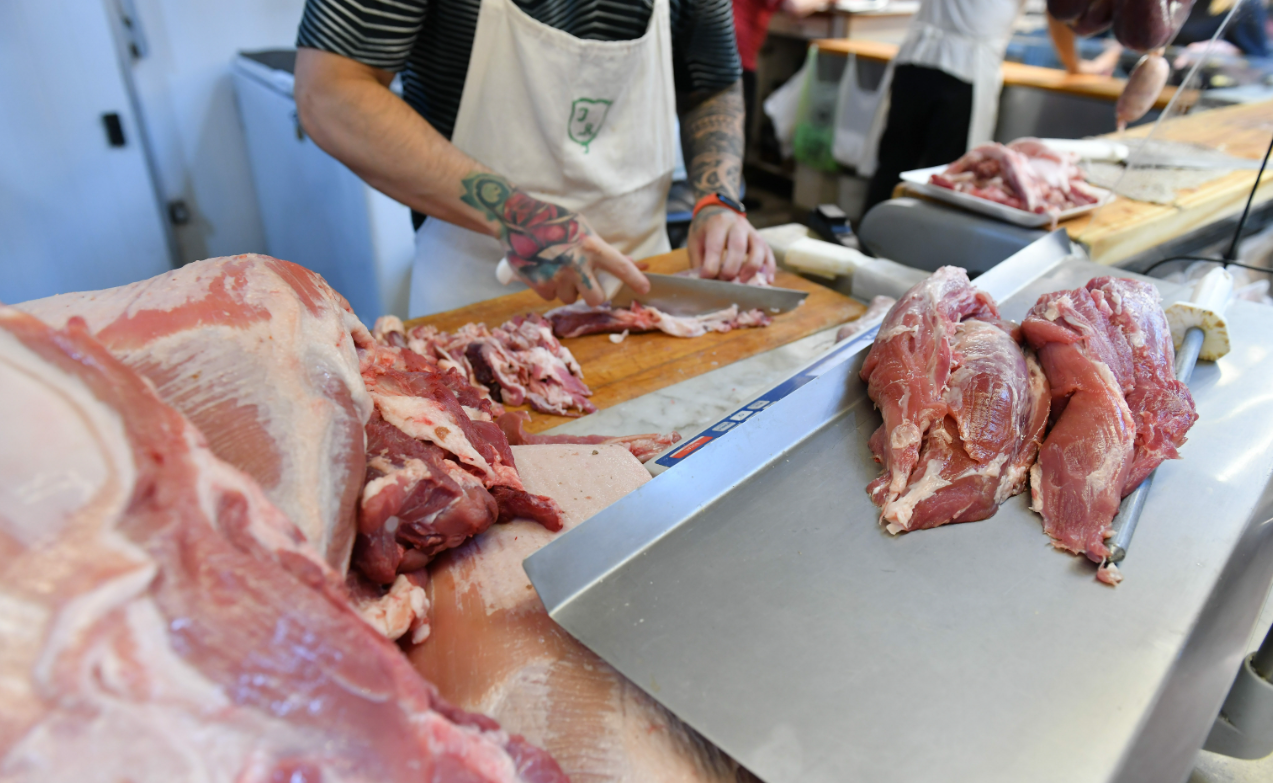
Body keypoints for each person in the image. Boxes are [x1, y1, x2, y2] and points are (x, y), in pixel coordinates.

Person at [294, 0, 776, 317]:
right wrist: (520, 217)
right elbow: (331, 90)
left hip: (644, 292)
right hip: (477, 302)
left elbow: (711, 85)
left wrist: (716, 198)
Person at [862, 1, 1122, 214]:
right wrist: (1076, 66)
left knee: (894, 165)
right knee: (951, 178)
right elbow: (1059, 14)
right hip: (963, 72)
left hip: (914, 62)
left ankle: (869, 245)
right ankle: (914, 258)